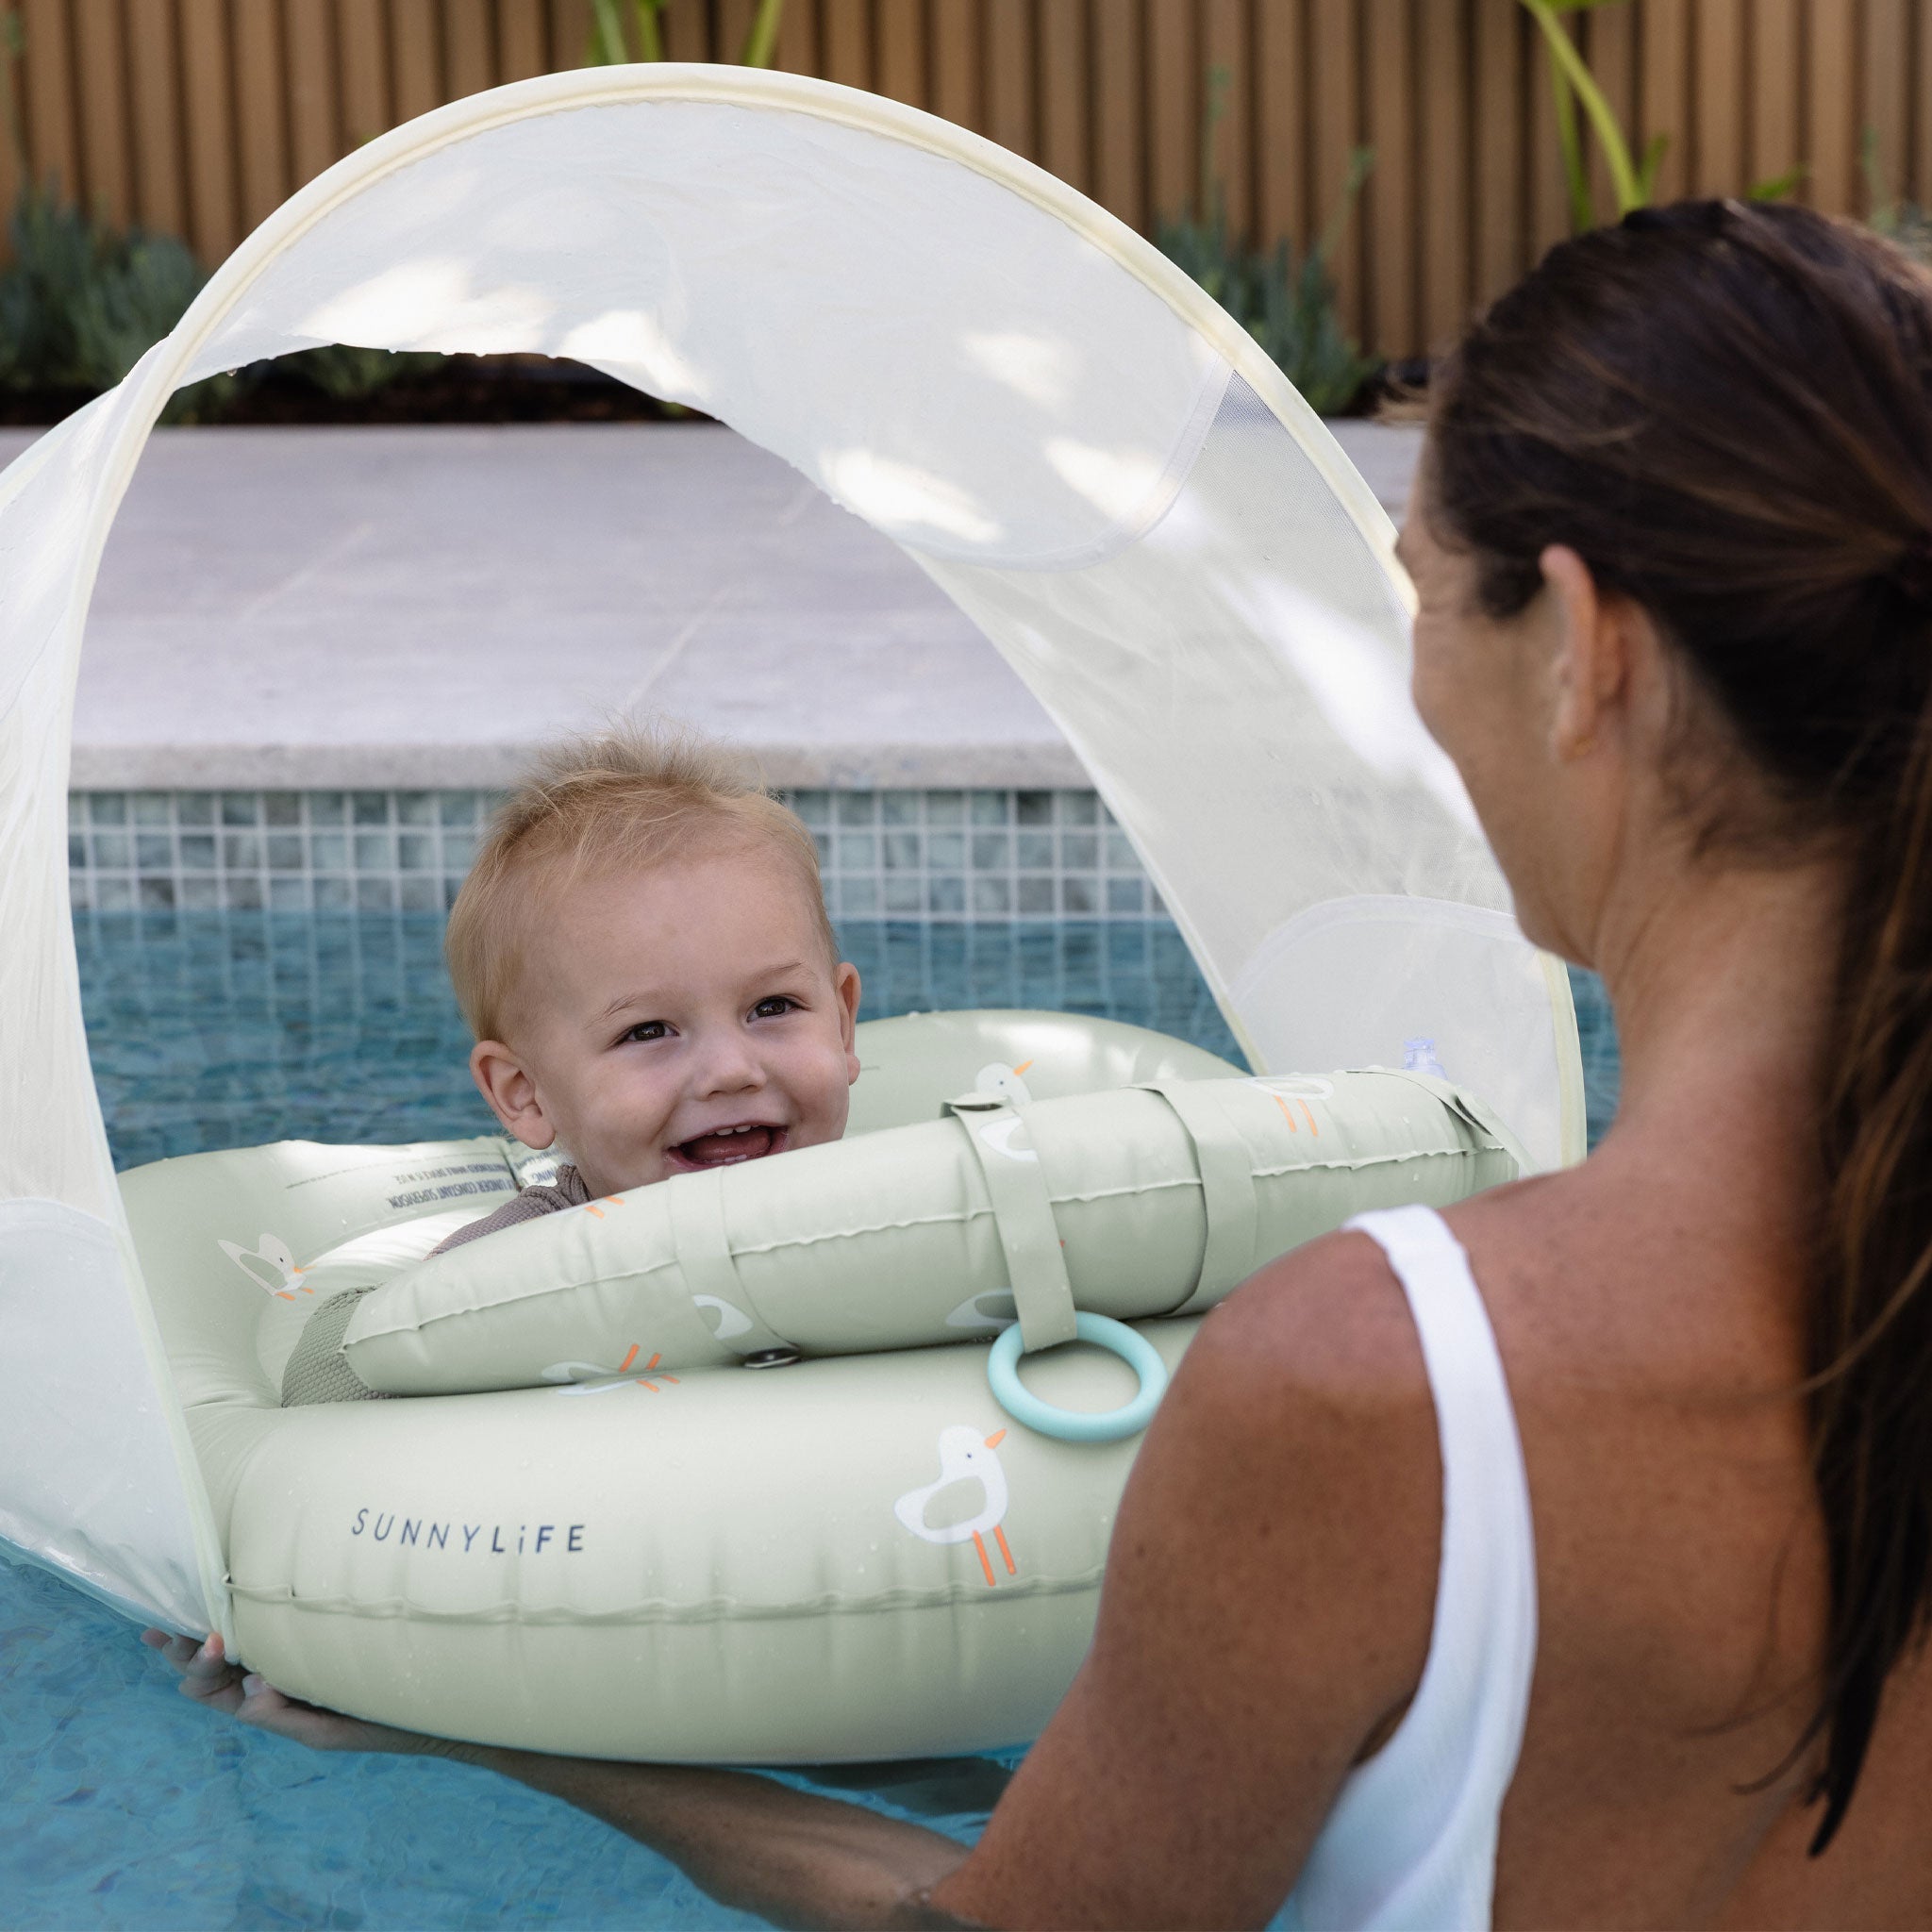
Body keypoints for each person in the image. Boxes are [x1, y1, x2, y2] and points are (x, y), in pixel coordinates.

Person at [150, 201, 1932, 1926]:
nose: (1410, 691)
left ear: (1578, 652)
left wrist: (473, 1713)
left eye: (1418, 604)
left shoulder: (1371, 1378)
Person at [434, 720, 862, 1248]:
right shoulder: (502, 1274)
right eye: (648, 1031)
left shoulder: (914, 1210)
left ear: (842, 1025)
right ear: (525, 1093)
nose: (731, 1072)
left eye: (772, 1007)